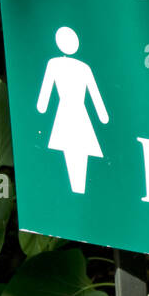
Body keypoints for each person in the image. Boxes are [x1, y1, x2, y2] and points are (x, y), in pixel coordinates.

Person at [36, 26, 109, 194]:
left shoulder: (61, 65)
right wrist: (102, 116)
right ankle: (77, 193)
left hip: (71, 114)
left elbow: (43, 101)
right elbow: (45, 95)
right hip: (72, 115)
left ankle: (78, 193)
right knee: (74, 156)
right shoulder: (76, 67)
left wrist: (103, 115)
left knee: (76, 154)